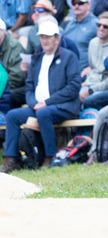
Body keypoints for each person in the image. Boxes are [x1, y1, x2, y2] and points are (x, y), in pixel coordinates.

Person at [1, 18, 81, 172]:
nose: (44, 40)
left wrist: (47, 102)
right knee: (12, 115)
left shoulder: (69, 56)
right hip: (38, 106)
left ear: (57, 38)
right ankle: (10, 158)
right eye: (42, 37)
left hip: (63, 106)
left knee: (44, 113)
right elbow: (29, 87)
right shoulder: (36, 59)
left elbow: (73, 87)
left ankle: (49, 157)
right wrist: (33, 103)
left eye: (48, 37)